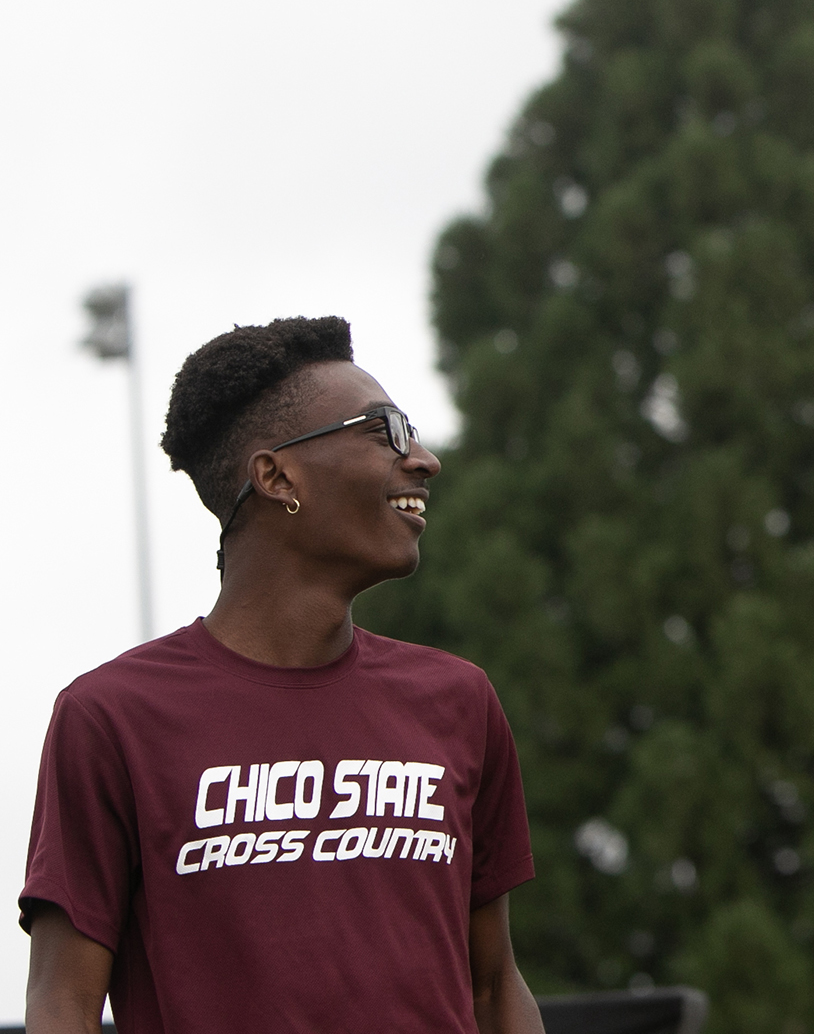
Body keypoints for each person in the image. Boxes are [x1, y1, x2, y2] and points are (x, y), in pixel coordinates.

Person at [22, 317, 543, 1033]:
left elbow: (494, 988)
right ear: (275, 476)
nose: (423, 459)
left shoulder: (459, 701)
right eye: (384, 430)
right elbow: (63, 1003)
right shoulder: (111, 717)